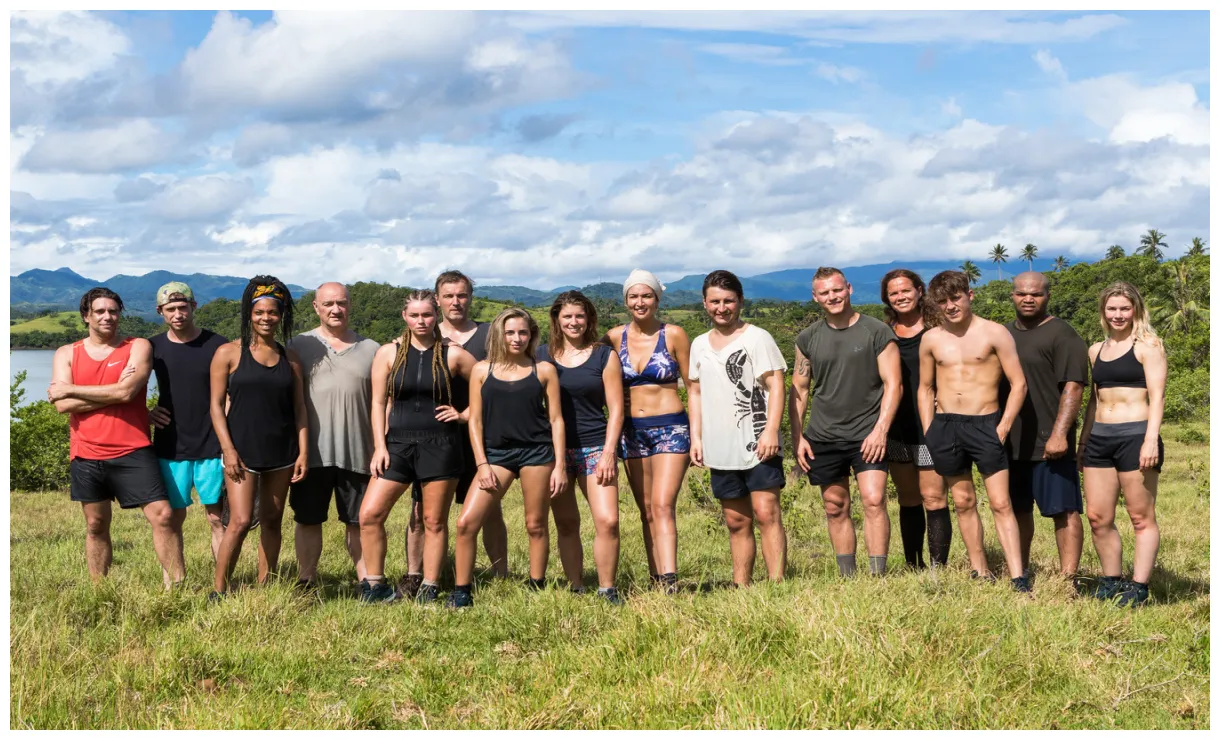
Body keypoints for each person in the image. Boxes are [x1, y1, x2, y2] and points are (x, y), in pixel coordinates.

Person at [49, 288, 185, 588]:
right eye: (100, 311)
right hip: (86, 452)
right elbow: (62, 405)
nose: (107, 317)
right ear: (87, 316)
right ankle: (100, 589)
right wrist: (116, 391)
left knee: (163, 516)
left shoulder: (137, 346)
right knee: (96, 525)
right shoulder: (66, 353)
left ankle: (176, 588)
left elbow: (127, 392)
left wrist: (72, 389)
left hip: (134, 449)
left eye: (113, 311)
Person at [358, 290, 476, 604]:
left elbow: (489, 383)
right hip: (396, 444)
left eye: (426, 315)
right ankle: (376, 585)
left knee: (433, 521)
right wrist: (379, 447)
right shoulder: (388, 353)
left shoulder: (453, 353)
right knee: (369, 515)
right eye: (415, 315)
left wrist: (464, 415)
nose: (421, 321)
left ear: (436, 315)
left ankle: (430, 587)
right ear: (405, 317)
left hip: (441, 445)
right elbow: (378, 402)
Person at [918, 270, 1030, 591]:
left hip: (986, 424)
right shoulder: (931, 339)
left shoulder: (994, 333)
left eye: (956, 298)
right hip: (946, 426)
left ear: (970, 296)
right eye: (942, 301)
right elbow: (925, 388)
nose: (950, 306)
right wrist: (930, 431)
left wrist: (1004, 426)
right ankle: (980, 572)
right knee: (963, 501)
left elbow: (1019, 383)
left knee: (1000, 502)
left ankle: (1018, 576)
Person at [447, 308, 566, 608]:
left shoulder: (544, 370)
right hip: (496, 455)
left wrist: (560, 465)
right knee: (466, 523)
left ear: (531, 335)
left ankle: (536, 585)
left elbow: (556, 420)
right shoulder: (482, 370)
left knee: (535, 523)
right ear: (499, 334)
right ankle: (462, 591)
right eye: (510, 332)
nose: (516, 338)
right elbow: (474, 420)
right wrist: (482, 464)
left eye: (522, 332)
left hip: (537, 453)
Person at [398, 270, 506, 598]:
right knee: (421, 511)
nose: (455, 302)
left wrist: (464, 415)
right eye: (448, 296)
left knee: (488, 509)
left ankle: (499, 575)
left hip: (479, 436)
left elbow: (499, 384)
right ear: (437, 299)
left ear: (471, 297)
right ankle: (415, 574)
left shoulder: (490, 336)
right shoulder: (422, 331)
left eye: (462, 295)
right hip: (432, 439)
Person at [789, 267, 901, 577]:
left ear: (848, 289)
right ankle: (847, 576)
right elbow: (799, 388)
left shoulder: (876, 331)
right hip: (824, 435)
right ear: (815, 297)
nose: (832, 297)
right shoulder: (808, 337)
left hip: (868, 433)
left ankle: (877, 575)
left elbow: (894, 384)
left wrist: (881, 431)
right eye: (824, 293)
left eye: (837, 290)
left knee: (874, 500)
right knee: (835, 506)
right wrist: (798, 438)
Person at [209, 276, 308, 599]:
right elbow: (215, 407)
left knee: (272, 520)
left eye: (273, 313)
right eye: (259, 312)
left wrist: (302, 452)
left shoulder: (290, 358)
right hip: (242, 452)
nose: (266, 318)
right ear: (249, 315)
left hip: (282, 452)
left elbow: (300, 410)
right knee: (238, 521)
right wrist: (228, 450)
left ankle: (266, 586)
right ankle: (219, 588)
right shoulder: (228, 353)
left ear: (282, 316)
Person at [688, 271, 788, 587]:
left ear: (740, 302)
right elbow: (695, 391)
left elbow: (777, 383)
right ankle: (740, 585)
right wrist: (697, 437)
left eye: (728, 301)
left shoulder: (757, 338)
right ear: (705, 303)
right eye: (715, 301)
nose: (722, 307)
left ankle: (776, 584)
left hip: (758, 440)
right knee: (735, 520)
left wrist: (771, 430)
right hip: (719, 444)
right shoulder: (699, 344)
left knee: (766, 512)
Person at [1078, 282, 1166, 608]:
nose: (1118, 315)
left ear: (1136, 310)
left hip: (1136, 436)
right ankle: (1110, 580)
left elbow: (1157, 397)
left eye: (1124, 309)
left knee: (1140, 516)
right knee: (1098, 516)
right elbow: (1093, 400)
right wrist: (1083, 441)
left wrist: (1150, 440)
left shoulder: (1149, 346)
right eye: (1112, 309)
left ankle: (1139, 587)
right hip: (1099, 438)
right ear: (1103, 311)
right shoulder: (1095, 350)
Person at [603, 269, 692, 593]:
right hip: (631, 431)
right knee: (645, 510)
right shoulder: (614, 338)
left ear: (657, 299)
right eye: (634, 296)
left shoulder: (674, 335)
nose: (640, 302)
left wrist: (697, 435)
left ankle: (670, 580)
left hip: (671, 427)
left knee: (662, 504)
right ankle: (655, 577)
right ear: (626, 301)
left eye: (647, 296)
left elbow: (693, 388)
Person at [287, 283, 381, 590]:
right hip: (311, 453)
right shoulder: (297, 346)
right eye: (328, 304)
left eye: (341, 303)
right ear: (316, 307)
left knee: (359, 521)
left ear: (350, 305)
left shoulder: (373, 349)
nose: (335, 309)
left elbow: (385, 402)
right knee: (309, 519)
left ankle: (366, 580)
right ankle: (306, 578)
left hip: (359, 451)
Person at [537, 291, 626, 604]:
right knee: (566, 522)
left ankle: (607, 588)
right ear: (557, 320)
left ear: (589, 319)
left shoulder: (604, 355)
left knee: (608, 521)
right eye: (567, 317)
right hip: (553, 451)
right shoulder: (542, 355)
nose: (574, 322)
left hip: (594, 446)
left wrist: (608, 452)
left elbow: (616, 410)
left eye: (579, 316)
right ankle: (576, 586)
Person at [1006, 272, 1089, 579]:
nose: (1028, 298)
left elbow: (1074, 387)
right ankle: (1020, 570)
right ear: (1013, 295)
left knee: (1064, 511)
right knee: (1018, 510)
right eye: (1022, 293)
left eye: (1036, 294)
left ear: (1047, 296)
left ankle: (1068, 579)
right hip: (1012, 443)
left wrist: (1059, 434)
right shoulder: (1003, 334)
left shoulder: (1062, 334)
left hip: (1049, 442)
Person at [148, 281, 230, 582]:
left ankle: (223, 583)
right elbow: (129, 387)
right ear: (161, 312)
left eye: (183, 307)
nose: (178, 313)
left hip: (212, 444)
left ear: (194, 307)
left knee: (217, 518)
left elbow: (233, 392)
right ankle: (174, 584)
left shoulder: (218, 345)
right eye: (171, 309)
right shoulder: (152, 347)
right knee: (171, 518)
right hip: (171, 445)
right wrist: (146, 413)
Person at [879, 269, 949, 569]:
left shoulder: (940, 330)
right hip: (896, 426)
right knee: (908, 498)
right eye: (893, 293)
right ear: (887, 299)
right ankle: (913, 564)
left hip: (930, 425)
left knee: (934, 497)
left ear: (920, 291)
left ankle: (938, 568)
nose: (900, 297)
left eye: (906, 290)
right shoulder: (884, 334)